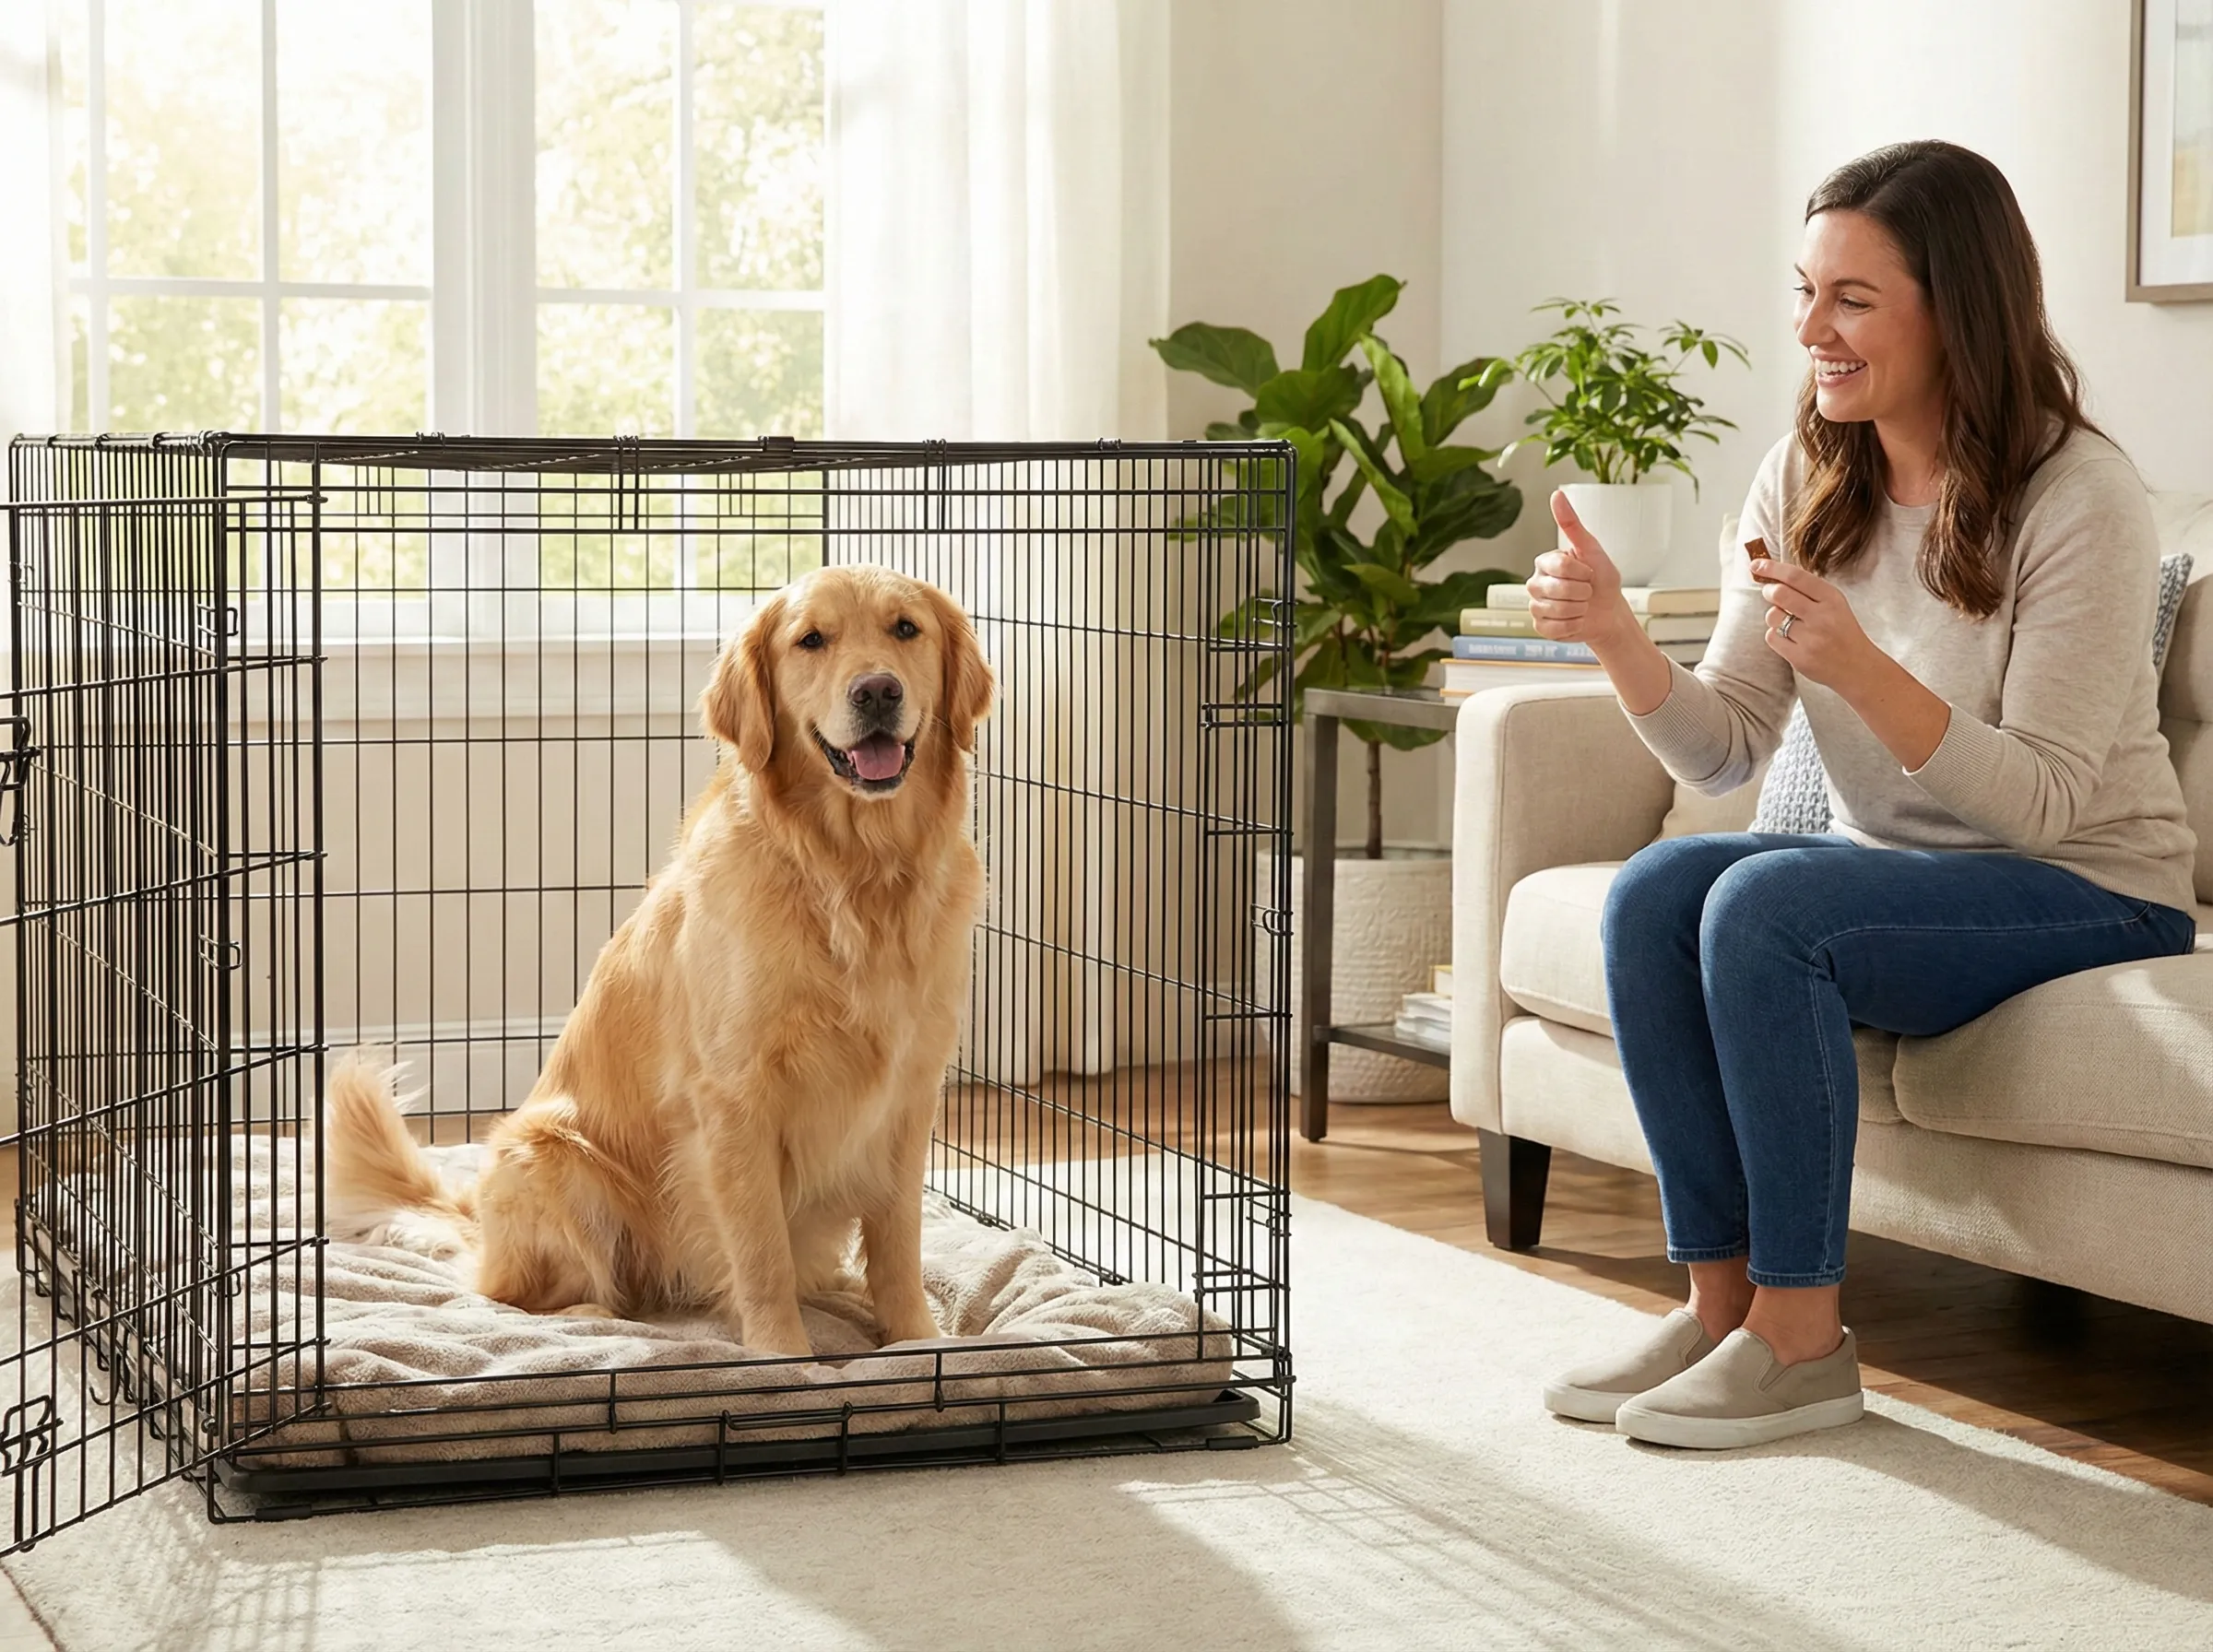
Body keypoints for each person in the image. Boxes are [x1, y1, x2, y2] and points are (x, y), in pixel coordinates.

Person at [1532, 139, 2200, 1450]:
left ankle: (1803, 1339)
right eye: (1803, 292)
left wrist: (1865, 667)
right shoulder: (1806, 473)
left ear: (1956, 308)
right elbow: (1725, 750)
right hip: (1911, 879)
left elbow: (2053, 805)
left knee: (1769, 910)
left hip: (2094, 890)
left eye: (1851, 299)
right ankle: (1722, 1309)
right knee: (1662, 890)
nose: (1812, 332)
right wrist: (1617, 635)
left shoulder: (2081, 496)